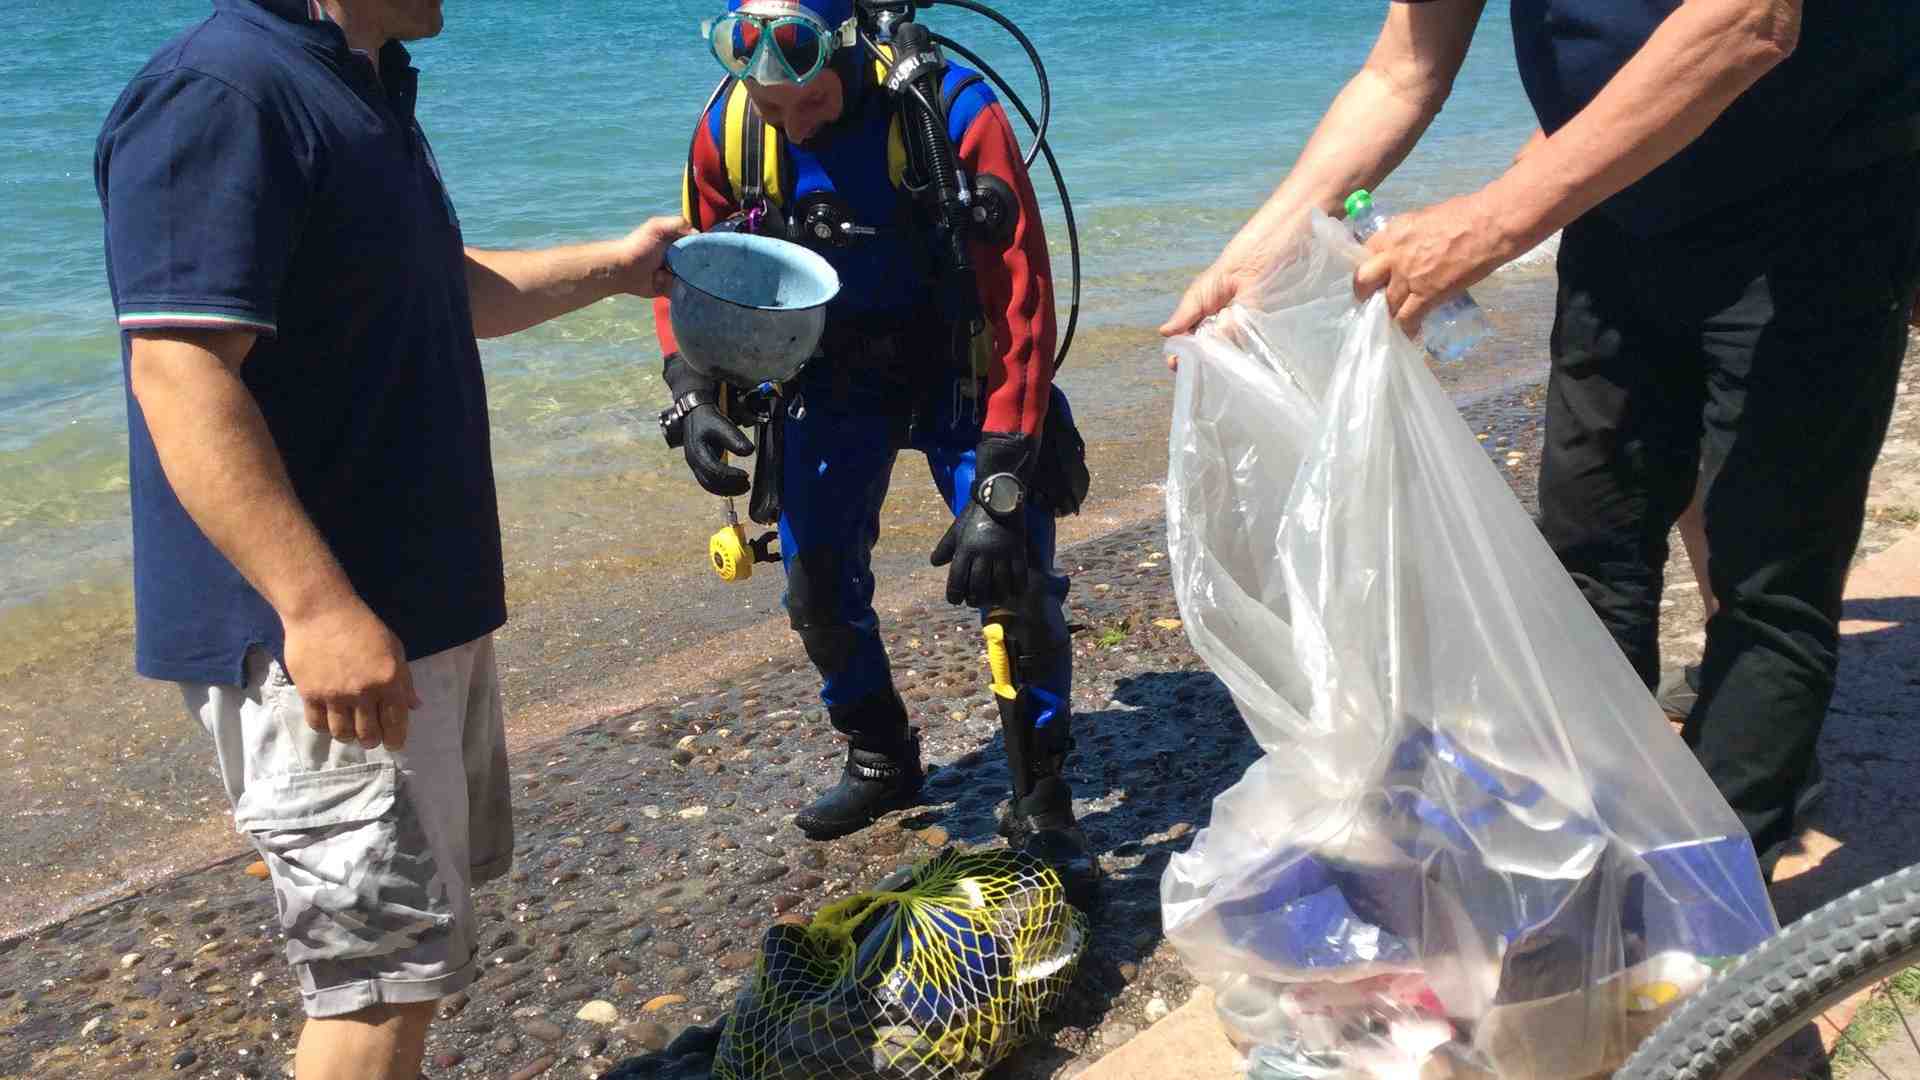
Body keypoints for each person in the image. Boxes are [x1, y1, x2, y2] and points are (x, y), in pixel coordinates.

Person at [1163, 0, 1919, 875]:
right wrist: (1256, 252)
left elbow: (1747, 21)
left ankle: (1710, 934)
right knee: (1589, 552)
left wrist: (1490, 223)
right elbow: (1401, 69)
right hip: (1619, 203)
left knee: (1766, 582)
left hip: (1819, 212)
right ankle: (1592, 865)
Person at [94, 2, 687, 1076]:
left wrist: (617, 266)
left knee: (409, 967)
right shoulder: (223, 91)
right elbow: (178, 371)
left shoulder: (359, 84)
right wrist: (316, 610)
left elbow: (436, 288)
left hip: (404, 615)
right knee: (373, 989)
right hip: (315, 637)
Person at [655, 0, 1097, 905]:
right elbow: (697, 273)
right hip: (832, 375)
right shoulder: (731, 129)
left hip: (960, 363)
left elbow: (1021, 297)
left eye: (808, 103)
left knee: (1015, 578)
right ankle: (880, 753)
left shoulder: (951, 111)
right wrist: (694, 392)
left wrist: (1006, 469)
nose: (790, 121)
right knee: (814, 582)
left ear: (849, 49)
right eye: (771, 107)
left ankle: (1042, 795)